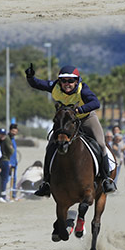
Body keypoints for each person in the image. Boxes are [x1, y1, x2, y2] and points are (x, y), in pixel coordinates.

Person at [25, 63, 116, 195]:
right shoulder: (55, 87)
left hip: (85, 118)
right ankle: (46, 183)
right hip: (66, 122)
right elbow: (37, 84)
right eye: (63, 81)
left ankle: (106, 179)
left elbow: (96, 103)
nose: (67, 84)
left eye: (71, 81)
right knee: (50, 146)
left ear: (77, 81)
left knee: (101, 144)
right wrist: (30, 77)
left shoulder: (83, 90)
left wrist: (80, 109)